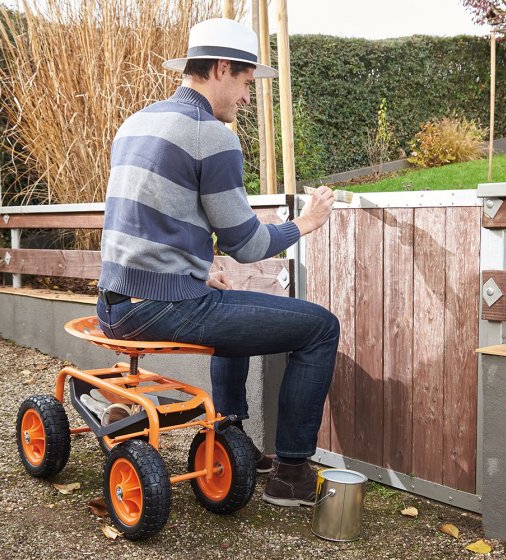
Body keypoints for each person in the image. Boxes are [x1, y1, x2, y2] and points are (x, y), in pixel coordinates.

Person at [96, 17, 340, 507]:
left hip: (115, 302)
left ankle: (232, 437)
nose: (247, 98)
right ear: (222, 69)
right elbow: (246, 244)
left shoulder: (137, 120)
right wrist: (307, 223)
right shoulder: (212, 135)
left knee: (233, 301)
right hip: (162, 306)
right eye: (247, 84)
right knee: (321, 328)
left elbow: (143, 221)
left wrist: (195, 265)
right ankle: (292, 472)